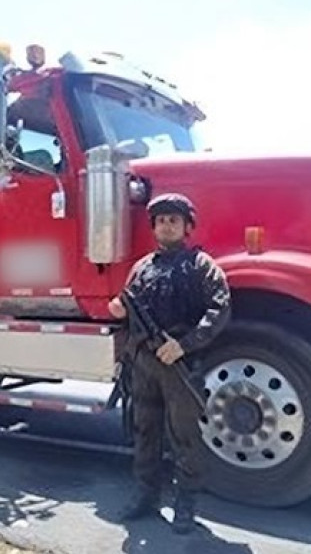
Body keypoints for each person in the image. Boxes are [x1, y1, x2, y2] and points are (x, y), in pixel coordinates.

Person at [108, 192, 231, 534]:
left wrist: (184, 345)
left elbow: (219, 310)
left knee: (184, 436)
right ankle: (146, 494)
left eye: (173, 219)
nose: (166, 225)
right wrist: (117, 312)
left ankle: (186, 501)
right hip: (144, 363)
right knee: (145, 431)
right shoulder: (142, 267)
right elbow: (126, 310)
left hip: (179, 365)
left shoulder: (201, 265)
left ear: (187, 226)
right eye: (160, 220)